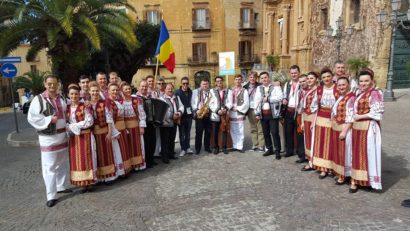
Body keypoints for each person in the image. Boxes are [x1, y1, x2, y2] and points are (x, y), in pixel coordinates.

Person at [27, 75, 70, 207]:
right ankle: (51, 195)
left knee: (62, 163)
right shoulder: (38, 99)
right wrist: (49, 119)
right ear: (45, 84)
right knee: (49, 167)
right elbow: (32, 118)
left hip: (63, 136)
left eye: (55, 84)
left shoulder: (61, 98)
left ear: (58, 84)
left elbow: (71, 107)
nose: (52, 86)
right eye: (50, 84)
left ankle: (61, 186)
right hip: (48, 138)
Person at [350, 68, 384, 193]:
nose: (363, 83)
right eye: (361, 81)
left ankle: (369, 181)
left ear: (371, 81)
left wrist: (360, 116)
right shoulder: (359, 94)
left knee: (368, 153)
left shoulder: (375, 93)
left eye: (366, 81)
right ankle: (356, 179)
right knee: (357, 154)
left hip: (369, 128)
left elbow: (377, 113)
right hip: (358, 128)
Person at [65, 84, 96, 192]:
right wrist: (69, 127)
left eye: (76, 94)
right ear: (68, 95)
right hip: (74, 138)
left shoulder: (85, 106)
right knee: (77, 160)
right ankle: (82, 182)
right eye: (72, 94)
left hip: (86, 135)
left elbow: (89, 121)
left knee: (87, 158)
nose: (74, 96)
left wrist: (73, 126)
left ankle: (90, 181)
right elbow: (65, 122)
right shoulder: (67, 108)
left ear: (80, 95)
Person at [311, 68, 339, 179]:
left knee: (332, 144)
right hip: (321, 118)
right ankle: (323, 168)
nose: (326, 79)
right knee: (321, 143)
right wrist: (314, 122)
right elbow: (314, 106)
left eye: (328, 76)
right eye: (324, 77)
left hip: (333, 119)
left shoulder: (338, 89)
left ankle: (332, 167)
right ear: (321, 79)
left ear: (332, 77)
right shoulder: (319, 89)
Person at [88, 81, 117, 183]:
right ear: (89, 92)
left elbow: (109, 119)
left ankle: (108, 176)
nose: (95, 93)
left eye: (96, 91)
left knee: (106, 153)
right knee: (96, 155)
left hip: (104, 132)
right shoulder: (86, 105)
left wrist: (109, 133)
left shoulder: (103, 104)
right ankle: (99, 177)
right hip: (92, 134)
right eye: (93, 91)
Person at [330, 77, 356, 185]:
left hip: (346, 129)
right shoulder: (341, 97)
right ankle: (342, 173)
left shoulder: (351, 97)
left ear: (348, 84)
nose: (341, 87)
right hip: (338, 127)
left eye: (343, 85)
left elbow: (351, 117)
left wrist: (345, 131)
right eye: (339, 85)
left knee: (346, 152)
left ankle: (346, 175)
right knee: (340, 152)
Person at [255, 72, 283, 159]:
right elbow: (256, 100)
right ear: (260, 79)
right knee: (266, 133)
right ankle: (269, 149)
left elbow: (280, 97)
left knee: (274, 132)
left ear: (269, 78)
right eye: (262, 78)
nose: (264, 79)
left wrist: (269, 99)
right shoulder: (259, 88)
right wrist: (257, 113)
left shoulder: (276, 87)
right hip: (263, 113)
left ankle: (277, 150)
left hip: (273, 113)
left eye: (265, 77)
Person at [107, 83, 132, 176]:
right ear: (108, 91)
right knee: (117, 150)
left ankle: (124, 169)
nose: (115, 92)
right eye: (113, 90)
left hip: (122, 128)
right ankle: (119, 171)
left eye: (116, 90)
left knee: (123, 149)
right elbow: (109, 119)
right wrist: (114, 131)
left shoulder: (118, 101)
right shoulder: (108, 102)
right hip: (116, 130)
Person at [122, 82, 146, 171]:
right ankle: (131, 165)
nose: (128, 90)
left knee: (139, 145)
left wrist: (141, 126)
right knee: (129, 146)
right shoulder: (121, 101)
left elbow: (141, 114)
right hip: (126, 127)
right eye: (125, 89)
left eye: (129, 89)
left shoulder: (136, 100)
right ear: (122, 91)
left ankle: (139, 164)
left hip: (136, 126)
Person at [282, 65, 303, 159]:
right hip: (289, 110)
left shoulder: (302, 83)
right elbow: (284, 95)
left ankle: (300, 152)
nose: (294, 75)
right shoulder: (287, 84)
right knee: (288, 131)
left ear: (299, 73)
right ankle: (289, 151)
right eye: (292, 73)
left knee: (299, 133)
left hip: (298, 111)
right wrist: (284, 100)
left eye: (295, 73)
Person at [160, 83, 184, 163]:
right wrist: (171, 116)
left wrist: (179, 113)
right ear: (164, 90)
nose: (170, 90)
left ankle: (171, 154)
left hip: (174, 121)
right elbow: (163, 111)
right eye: (168, 88)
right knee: (165, 140)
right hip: (165, 122)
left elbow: (181, 106)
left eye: (171, 88)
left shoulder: (176, 97)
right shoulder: (162, 99)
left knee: (172, 139)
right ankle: (165, 157)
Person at [137, 80, 158, 168]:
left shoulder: (150, 96)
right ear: (139, 87)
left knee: (153, 141)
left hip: (151, 122)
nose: (144, 88)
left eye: (145, 86)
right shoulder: (136, 97)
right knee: (146, 143)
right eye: (142, 86)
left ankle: (151, 159)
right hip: (142, 124)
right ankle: (146, 161)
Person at [301, 72, 319, 171]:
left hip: (313, 118)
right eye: (308, 78)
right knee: (307, 141)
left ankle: (315, 162)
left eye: (311, 78)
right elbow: (303, 108)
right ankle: (309, 161)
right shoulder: (307, 90)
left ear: (316, 79)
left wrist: (313, 121)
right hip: (306, 118)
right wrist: (303, 122)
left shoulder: (318, 90)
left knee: (314, 141)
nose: (309, 80)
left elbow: (317, 108)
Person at [209, 76, 231, 154]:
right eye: (217, 81)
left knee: (224, 130)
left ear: (223, 81)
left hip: (225, 113)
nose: (219, 82)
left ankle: (224, 147)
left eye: (220, 81)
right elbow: (210, 103)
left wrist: (225, 109)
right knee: (215, 131)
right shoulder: (211, 91)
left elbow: (230, 102)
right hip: (216, 114)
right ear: (215, 82)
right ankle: (216, 147)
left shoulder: (228, 91)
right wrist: (217, 110)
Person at [244, 72, 264, 152]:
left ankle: (261, 145)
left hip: (258, 108)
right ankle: (255, 144)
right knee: (253, 127)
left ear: (256, 78)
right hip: (249, 109)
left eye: (254, 77)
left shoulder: (260, 86)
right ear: (249, 78)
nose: (252, 79)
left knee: (260, 127)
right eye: (251, 77)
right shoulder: (245, 87)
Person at [229, 74, 249, 153]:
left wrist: (237, 108)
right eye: (236, 79)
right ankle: (235, 145)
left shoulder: (244, 90)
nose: (238, 81)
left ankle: (240, 146)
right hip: (231, 112)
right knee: (233, 130)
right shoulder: (231, 90)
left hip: (239, 111)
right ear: (234, 80)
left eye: (239, 79)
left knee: (240, 130)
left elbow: (246, 103)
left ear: (241, 81)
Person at [191, 79, 212, 154]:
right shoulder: (195, 92)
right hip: (199, 114)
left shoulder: (210, 92)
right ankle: (197, 148)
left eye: (206, 84)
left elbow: (212, 102)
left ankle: (207, 147)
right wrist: (197, 110)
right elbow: (193, 103)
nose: (205, 85)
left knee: (208, 132)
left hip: (207, 114)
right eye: (203, 84)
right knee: (199, 132)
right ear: (200, 85)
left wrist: (208, 109)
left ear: (208, 85)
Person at [175, 77, 194, 156]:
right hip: (181, 116)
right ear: (181, 83)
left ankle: (188, 147)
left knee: (188, 133)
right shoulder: (177, 92)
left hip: (189, 116)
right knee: (182, 134)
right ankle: (183, 149)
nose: (185, 85)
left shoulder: (191, 92)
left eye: (187, 83)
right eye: (184, 83)